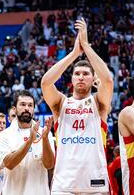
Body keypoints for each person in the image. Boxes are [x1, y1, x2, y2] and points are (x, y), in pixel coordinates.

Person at [41, 18, 113, 194]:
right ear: (72, 79)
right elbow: (45, 83)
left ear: (93, 78)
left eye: (86, 74)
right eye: (77, 73)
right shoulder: (61, 103)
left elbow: (108, 80)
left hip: (95, 182)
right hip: (64, 183)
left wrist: (86, 46)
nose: (81, 77)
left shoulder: (99, 103)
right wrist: (74, 54)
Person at [0, 90, 55, 194]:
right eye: (23, 104)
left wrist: (45, 139)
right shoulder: (5, 134)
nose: (27, 108)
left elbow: (49, 165)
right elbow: (9, 164)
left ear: (33, 109)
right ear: (15, 109)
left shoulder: (45, 133)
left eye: (30, 105)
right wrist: (29, 142)